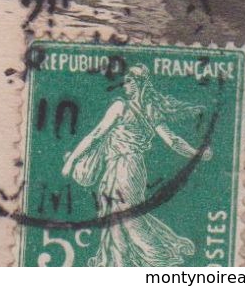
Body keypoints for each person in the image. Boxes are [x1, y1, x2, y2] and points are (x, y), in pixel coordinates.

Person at [61, 64, 210, 266]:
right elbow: (172, 140)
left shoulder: (121, 107)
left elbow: (96, 135)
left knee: (127, 217)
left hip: (124, 168)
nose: (125, 85)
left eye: (129, 81)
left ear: (139, 83)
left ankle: (159, 257)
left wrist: (71, 161)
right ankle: (120, 264)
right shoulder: (150, 111)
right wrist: (197, 153)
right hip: (131, 168)